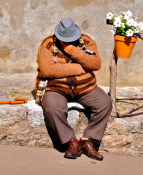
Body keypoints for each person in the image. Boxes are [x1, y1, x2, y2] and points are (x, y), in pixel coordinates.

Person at [35, 18, 112, 161]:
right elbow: (47, 70)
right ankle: (71, 142)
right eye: (65, 40)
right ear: (58, 36)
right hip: (56, 87)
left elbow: (95, 64)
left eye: (72, 39)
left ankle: (88, 141)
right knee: (52, 107)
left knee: (105, 103)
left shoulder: (87, 42)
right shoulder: (47, 44)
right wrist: (78, 68)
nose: (68, 42)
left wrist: (76, 53)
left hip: (85, 87)